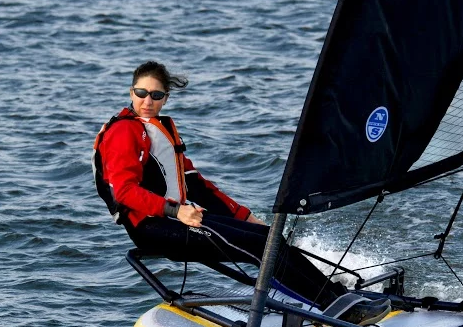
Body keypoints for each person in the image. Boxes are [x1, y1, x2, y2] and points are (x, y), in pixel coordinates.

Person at [93, 60, 350, 308]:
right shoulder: (124, 131)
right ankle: (330, 306)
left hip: (178, 218)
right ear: (131, 92)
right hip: (152, 227)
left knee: (268, 237)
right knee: (261, 248)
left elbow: (197, 186)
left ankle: (338, 294)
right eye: (141, 93)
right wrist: (176, 210)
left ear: (166, 98)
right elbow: (125, 192)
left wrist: (245, 217)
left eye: (156, 95)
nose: (147, 101)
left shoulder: (160, 129)